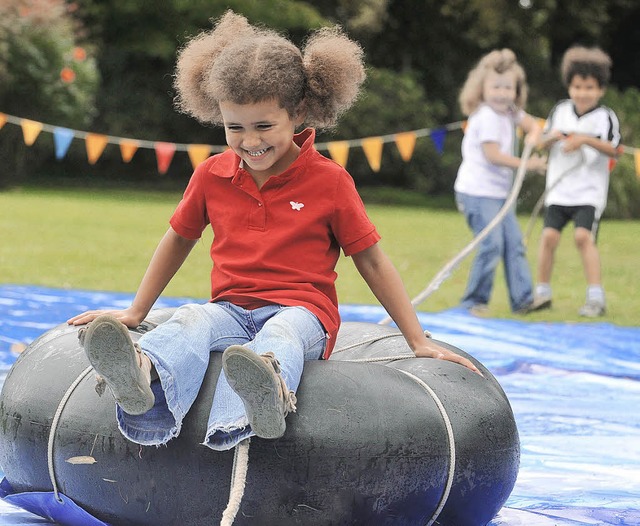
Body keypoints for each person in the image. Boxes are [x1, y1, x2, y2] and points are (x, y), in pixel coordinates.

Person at [67, 11, 480, 452]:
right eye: (234, 127)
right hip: (230, 309)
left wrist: (416, 340)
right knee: (190, 318)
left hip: (304, 314)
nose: (249, 141)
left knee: (279, 335)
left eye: (264, 126)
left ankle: (262, 396)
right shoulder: (212, 175)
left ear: (298, 112)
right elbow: (178, 240)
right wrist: (134, 313)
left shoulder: (330, 181)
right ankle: (141, 375)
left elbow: (372, 261)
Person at [528, 46, 620, 317]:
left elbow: (615, 148)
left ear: (600, 89)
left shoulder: (605, 117)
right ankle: (541, 293)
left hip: (588, 193)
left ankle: (595, 297)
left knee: (583, 237)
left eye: (589, 87)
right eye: (578, 86)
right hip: (559, 191)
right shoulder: (559, 111)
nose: (583, 93)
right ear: (569, 87)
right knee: (548, 238)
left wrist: (583, 140)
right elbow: (541, 144)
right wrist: (552, 138)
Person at [453, 49, 546, 316]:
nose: (502, 93)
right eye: (496, 87)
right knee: (491, 244)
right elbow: (493, 156)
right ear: (482, 88)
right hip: (478, 193)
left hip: (499, 194)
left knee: (514, 243)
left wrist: (535, 133)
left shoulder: (509, 112)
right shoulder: (486, 117)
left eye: (508, 87)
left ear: (516, 91)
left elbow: (532, 124)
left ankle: (523, 299)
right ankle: (473, 301)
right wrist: (528, 165)